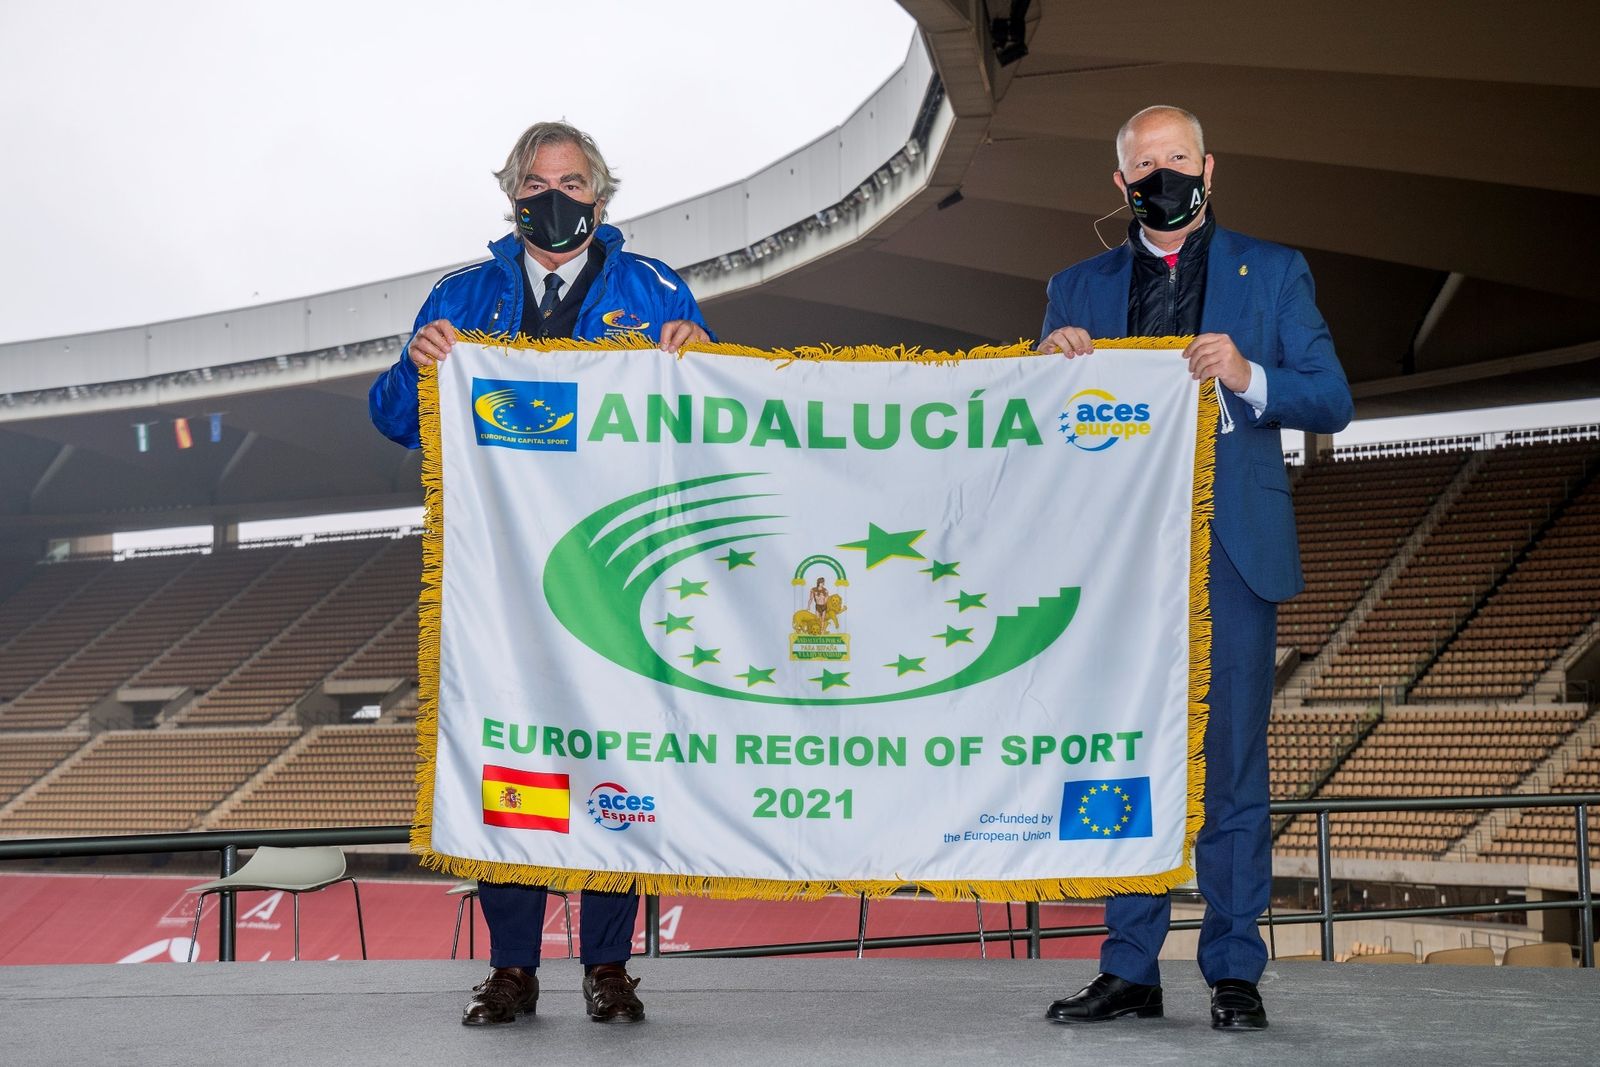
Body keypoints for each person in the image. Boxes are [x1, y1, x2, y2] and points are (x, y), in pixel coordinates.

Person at [369, 120, 712, 1026]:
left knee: (618, 762)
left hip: (616, 571)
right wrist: (417, 364)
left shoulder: (656, 287)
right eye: (533, 182)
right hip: (499, 578)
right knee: (507, 766)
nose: (550, 197)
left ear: (601, 194)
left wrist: (698, 356)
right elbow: (396, 420)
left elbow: (712, 417)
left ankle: (608, 966)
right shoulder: (462, 292)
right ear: (510, 194)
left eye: (568, 182)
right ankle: (512, 968)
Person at [1037, 105, 1353, 1031]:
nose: (1162, 174)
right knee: (1119, 755)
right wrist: (1048, 369)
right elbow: (1034, 426)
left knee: (1231, 771)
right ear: (1120, 184)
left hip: (1231, 558)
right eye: (1145, 164)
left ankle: (1232, 967)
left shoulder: (1275, 271)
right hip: (1119, 564)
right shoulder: (1074, 288)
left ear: (1209, 165)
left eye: (1177, 157)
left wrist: (1251, 374)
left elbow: (1332, 398)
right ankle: (1128, 965)